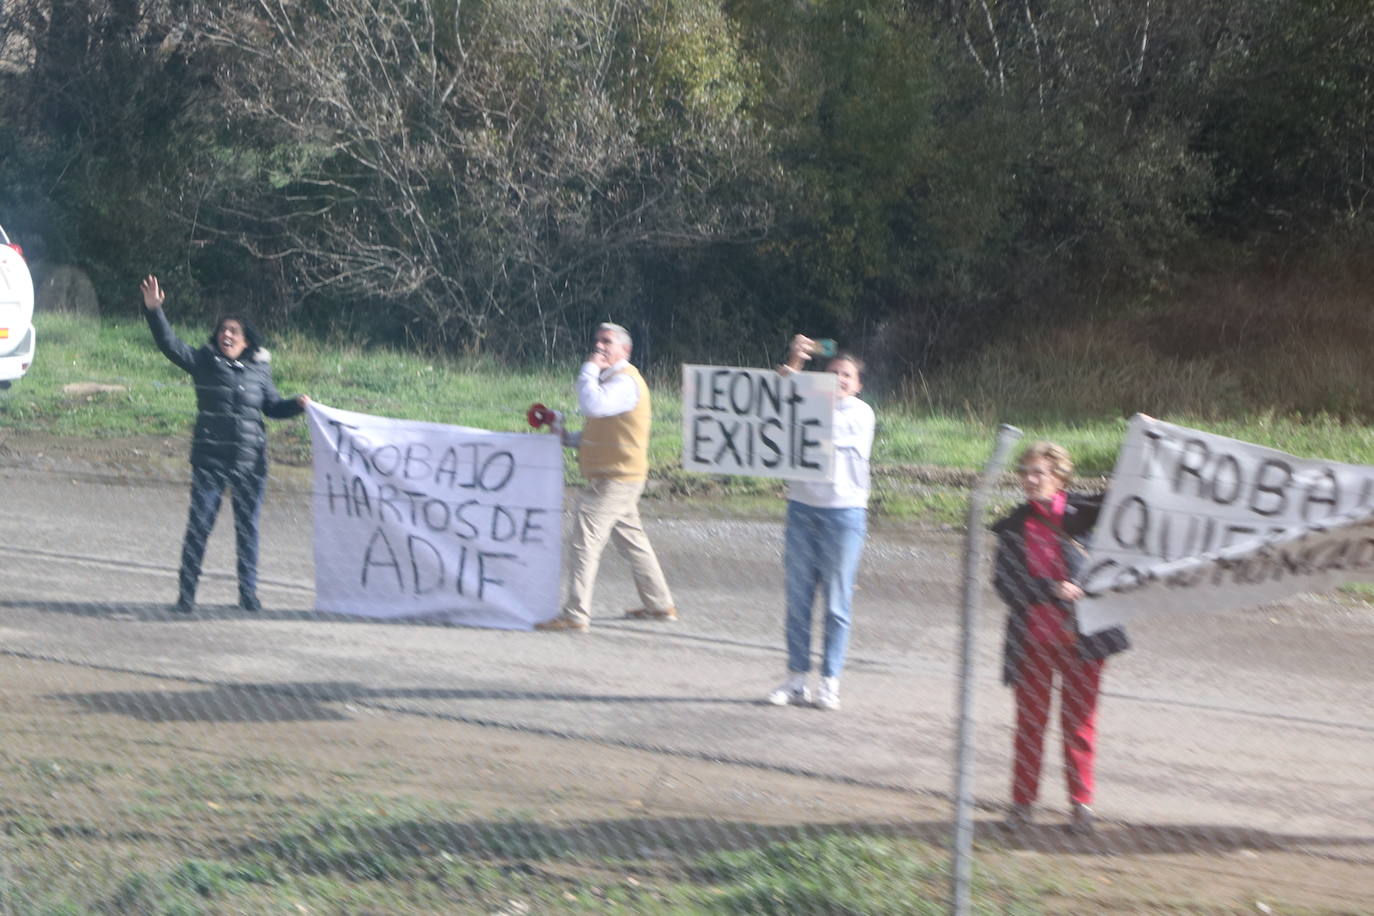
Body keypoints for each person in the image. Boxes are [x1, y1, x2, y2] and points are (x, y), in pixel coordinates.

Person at [141, 275, 310, 613]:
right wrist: (155, 311)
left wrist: (298, 405)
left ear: (246, 341)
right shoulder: (204, 362)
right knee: (199, 527)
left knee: (247, 531)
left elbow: (272, 408)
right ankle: (186, 596)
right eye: (222, 330)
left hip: (251, 463)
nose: (226, 335)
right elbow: (170, 345)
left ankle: (248, 595)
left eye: (234, 331)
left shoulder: (260, 372)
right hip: (210, 460)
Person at [991, 441, 1130, 834]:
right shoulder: (1014, 526)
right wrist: (1051, 589)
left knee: (1080, 725)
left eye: (1039, 473)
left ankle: (1081, 806)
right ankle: (1022, 806)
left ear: (1060, 477)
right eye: (1025, 473)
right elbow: (1006, 585)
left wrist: (1148, 439)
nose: (1030, 480)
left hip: (1083, 639)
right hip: (1033, 641)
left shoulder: (1086, 514)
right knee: (1029, 725)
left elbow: (1130, 494)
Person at [536, 322, 676, 632]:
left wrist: (587, 369)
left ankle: (575, 614)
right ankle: (659, 604)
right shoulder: (613, 381)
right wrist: (566, 436)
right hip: (619, 475)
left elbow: (593, 405)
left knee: (584, 540)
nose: (599, 346)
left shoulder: (624, 383)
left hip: (616, 478)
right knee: (633, 542)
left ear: (625, 350)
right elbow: (599, 429)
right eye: (598, 341)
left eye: (607, 342)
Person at [766, 335, 875, 711]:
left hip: (844, 516)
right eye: (832, 373)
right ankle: (796, 679)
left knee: (836, 604)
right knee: (798, 601)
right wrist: (795, 360)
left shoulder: (861, 414)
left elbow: (795, 408)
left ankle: (830, 681)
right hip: (801, 510)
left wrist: (796, 387)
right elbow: (773, 398)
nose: (840, 380)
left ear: (858, 384)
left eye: (847, 375)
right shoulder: (809, 400)